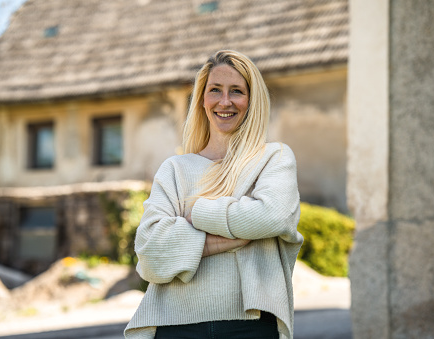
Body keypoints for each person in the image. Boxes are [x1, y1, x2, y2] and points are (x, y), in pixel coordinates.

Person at [124, 50, 303, 339]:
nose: (225, 101)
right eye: (215, 90)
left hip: (250, 325)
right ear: (202, 100)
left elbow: (272, 217)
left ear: (252, 100)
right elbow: (149, 255)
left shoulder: (274, 158)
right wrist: (231, 235)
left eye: (237, 91)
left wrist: (197, 213)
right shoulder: (175, 169)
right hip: (174, 326)